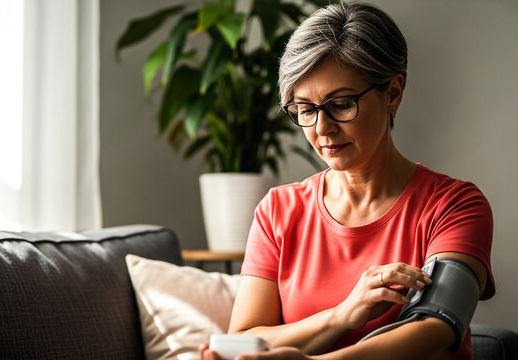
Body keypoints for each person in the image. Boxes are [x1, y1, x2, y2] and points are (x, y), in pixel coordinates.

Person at [200, 2, 494, 360]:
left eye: (341, 104)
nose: (322, 129)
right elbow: (245, 339)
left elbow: (437, 329)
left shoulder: (455, 204)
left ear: (393, 94)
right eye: (305, 110)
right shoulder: (278, 210)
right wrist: (340, 317)